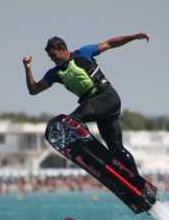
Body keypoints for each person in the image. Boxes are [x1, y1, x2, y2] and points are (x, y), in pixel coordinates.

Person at [22, 33, 150, 175]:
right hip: (99, 110)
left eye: (54, 55)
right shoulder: (55, 73)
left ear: (63, 48)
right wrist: (27, 69)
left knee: (69, 121)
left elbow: (110, 43)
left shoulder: (83, 53)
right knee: (116, 149)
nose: (53, 59)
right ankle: (138, 183)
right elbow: (34, 90)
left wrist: (133, 37)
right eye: (51, 57)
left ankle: (86, 144)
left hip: (108, 97)